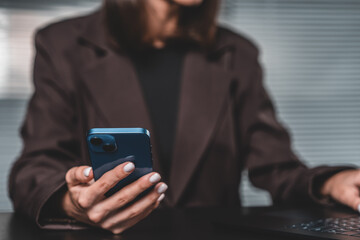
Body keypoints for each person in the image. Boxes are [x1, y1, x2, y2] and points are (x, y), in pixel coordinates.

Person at [8, 0, 360, 235]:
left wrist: (332, 181)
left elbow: (277, 167)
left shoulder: (237, 53)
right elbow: (33, 167)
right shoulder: (63, 43)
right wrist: (72, 204)